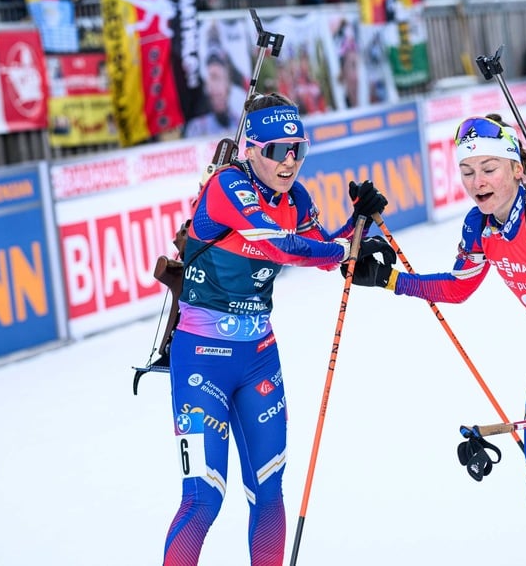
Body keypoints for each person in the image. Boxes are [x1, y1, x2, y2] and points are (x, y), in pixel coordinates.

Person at [346, 113, 526, 566]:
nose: (476, 181)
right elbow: (459, 287)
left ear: (515, 169)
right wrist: (390, 279)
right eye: (466, 171)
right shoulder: (479, 226)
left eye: (488, 168)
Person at [162, 92, 393, 566]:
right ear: (251, 149)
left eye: (298, 150)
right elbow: (279, 246)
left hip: (259, 356)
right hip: (201, 358)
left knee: (268, 488)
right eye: (276, 150)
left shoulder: (296, 198)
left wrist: (359, 223)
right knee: (203, 498)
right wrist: (342, 251)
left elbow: (323, 251)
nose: (289, 162)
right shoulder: (228, 186)